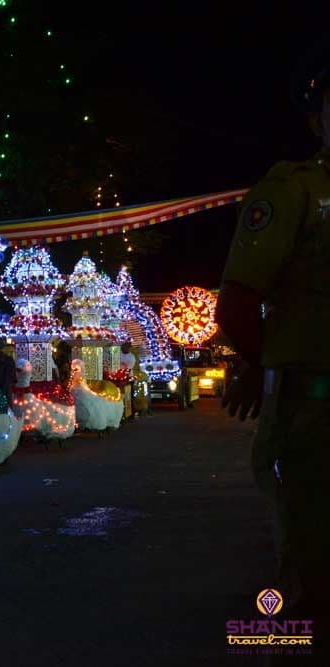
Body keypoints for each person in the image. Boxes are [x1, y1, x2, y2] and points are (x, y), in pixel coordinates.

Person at [217, 51, 330, 628]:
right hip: (314, 402)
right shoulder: (293, 192)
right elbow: (237, 300)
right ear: (318, 118)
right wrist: (260, 362)